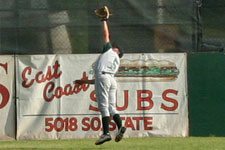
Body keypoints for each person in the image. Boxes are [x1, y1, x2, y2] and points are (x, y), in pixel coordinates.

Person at [75, 12, 126, 145]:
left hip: (104, 78)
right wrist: (85, 81)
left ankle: (106, 133)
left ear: (118, 51)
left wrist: (104, 20)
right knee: (112, 107)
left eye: (116, 47)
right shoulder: (116, 61)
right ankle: (120, 127)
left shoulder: (110, 52)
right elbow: (100, 79)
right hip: (110, 80)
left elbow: (106, 35)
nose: (112, 46)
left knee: (103, 106)